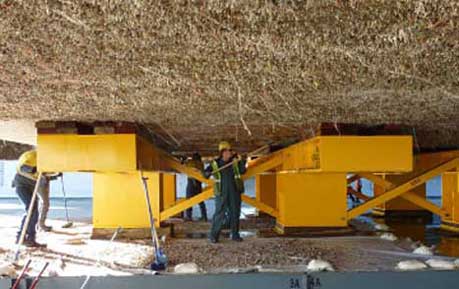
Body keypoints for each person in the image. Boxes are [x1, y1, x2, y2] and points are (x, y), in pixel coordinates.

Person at [203, 141, 246, 243]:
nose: (229, 153)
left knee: (235, 213)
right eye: (226, 152)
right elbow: (205, 174)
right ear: (221, 153)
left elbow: (243, 171)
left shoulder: (235, 162)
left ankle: (235, 235)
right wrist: (207, 173)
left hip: (234, 192)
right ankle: (214, 236)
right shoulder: (215, 163)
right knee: (219, 214)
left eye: (230, 151)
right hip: (221, 192)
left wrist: (241, 161)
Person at [12, 149, 46, 247]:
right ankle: (20, 237)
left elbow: (45, 175)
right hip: (22, 185)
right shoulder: (31, 156)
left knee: (34, 211)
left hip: (32, 186)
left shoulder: (47, 159)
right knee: (31, 209)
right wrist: (32, 169)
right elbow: (22, 167)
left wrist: (54, 175)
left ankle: (30, 238)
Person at [185, 153, 207, 222]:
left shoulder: (190, 163)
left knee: (189, 200)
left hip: (191, 182)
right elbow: (202, 172)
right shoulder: (200, 164)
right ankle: (204, 216)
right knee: (200, 200)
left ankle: (189, 217)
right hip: (198, 182)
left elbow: (184, 165)